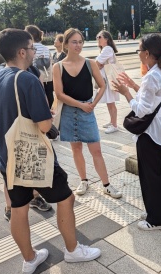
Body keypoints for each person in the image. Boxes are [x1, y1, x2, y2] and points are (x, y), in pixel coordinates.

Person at [0, 29, 101, 274]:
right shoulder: (26, 79)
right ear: (21, 52)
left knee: (18, 208)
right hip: (34, 157)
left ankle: (29, 259)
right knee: (66, 199)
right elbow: (45, 126)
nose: (35, 51)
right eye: (32, 46)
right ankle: (72, 250)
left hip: (8, 158)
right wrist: (48, 117)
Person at [111, 34, 161, 230]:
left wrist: (126, 92)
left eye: (139, 50)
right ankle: (159, 212)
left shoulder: (152, 75)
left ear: (146, 53)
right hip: (159, 132)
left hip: (149, 134)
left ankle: (156, 220)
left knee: (150, 177)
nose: (138, 53)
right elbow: (152, 99)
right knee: (157, 175)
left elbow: (141, 109)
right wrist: (133, 84)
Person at [52, 28, 122, 199]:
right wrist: (81, 105)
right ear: (66, 44)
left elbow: (102, 85)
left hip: (87, 111)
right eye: (74, 42)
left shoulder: (90, 63)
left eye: (80, 41)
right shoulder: (58, 67)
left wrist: (92, 104)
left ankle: (106, 184)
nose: (78, 45)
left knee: (96, 149)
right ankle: (83, 180)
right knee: (76, 149)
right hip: (69, 112)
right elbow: (59, 94)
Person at [95, 30, 120, 134]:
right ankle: (112, 121)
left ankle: (114, 125)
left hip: (109, 78)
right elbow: (98, 63)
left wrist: (99, 64)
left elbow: (97, 62)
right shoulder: (105, 49)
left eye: (99, 37)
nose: (98, 39)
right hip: (107, 77)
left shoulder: (108, 49)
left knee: (111, 102)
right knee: (109, 102)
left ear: (106, 39)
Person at [25, 25, 54, 109]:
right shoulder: (45, 48)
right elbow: (50, 61)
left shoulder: (30, 48)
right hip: (47, 77)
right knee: (49, 95)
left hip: (36, 76)